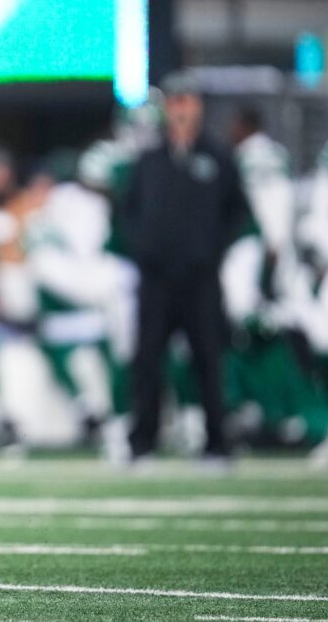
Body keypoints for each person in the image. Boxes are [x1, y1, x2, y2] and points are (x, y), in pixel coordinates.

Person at [122, 71, 249, 464]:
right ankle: (143, 443)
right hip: (156, 278)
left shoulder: (218, 157)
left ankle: (217, 444)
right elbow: (126, 212)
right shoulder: (149, 159)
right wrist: (143, 247)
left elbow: (239, 212)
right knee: (148, 361)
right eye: (174, 102)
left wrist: (211, 249)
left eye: (187, 101)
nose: (180, 110)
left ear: (199, 107)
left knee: (209, 359)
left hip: (200, 278)